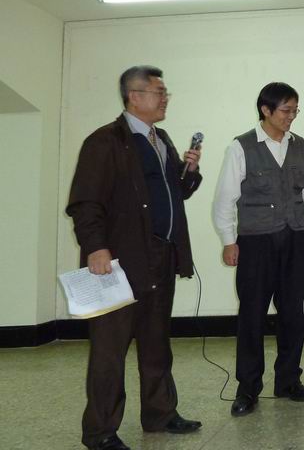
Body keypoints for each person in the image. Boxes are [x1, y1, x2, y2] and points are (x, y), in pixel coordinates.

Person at [66, 65, 203, 450]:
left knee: (157, 341)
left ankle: (159, 413)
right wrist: (96, 246)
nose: (165, 99)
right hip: (119, 262)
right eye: (159, 92)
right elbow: (85, 201)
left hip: (161, 254)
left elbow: (172, 193)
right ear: (134, 96)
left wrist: (189, 173)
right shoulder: (105, 141)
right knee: (109, 351)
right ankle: (100, 432)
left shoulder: (160, 139)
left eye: (165, 93)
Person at [212, 82, 304, 417]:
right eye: (285, 110)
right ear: (266, 110)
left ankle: (288, 380)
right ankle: (248, 388)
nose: (291, 116)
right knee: (252, 315)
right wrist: (229, 240)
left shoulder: (300, 145)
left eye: (295, 110)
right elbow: (225, 198)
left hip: (295, 238)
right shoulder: (241, 147)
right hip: (255, 242)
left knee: (293, 314)